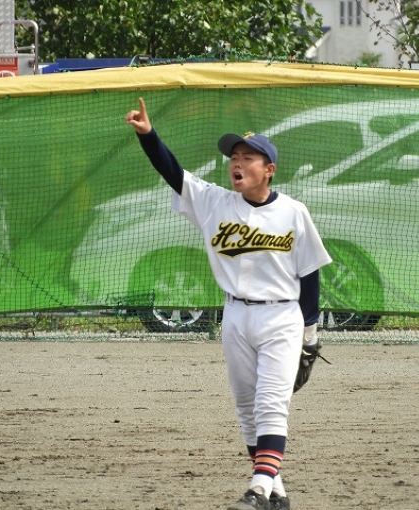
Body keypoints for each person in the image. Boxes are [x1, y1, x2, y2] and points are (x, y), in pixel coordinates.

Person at [125, 98, 332, 510]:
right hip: (235, 317)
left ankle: (257, 488)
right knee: (246, 407)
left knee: (271, 405)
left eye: (247, 157)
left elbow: (310, 275)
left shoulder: (293, 212)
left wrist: (310, 333)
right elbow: (173, 172)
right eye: (234, 157)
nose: (236, 163)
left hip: (281, 317)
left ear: (269, 169)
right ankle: (276, 491)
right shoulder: (215, 203)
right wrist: (149, 136)